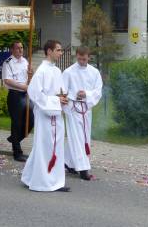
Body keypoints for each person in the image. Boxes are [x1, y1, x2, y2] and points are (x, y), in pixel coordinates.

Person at [21, 40, 70, 192]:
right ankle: (44, 181)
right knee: (45, 147)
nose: (61, 53)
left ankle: (32, 177)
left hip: (56, 114)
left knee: (54, 147)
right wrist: (55, 100)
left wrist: (63, 99)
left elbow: (60, 90)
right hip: (45, 115)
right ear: (49, 51)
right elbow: (34, 93)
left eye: (61, 50)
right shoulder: (41, 71)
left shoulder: (56, 71)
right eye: (58, 50)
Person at [63, 46, 103, 181]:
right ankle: (83, 169)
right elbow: (62, 91)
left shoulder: (95, 72)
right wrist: (75, 95)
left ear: (88, 57)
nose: (81, 61)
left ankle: (68, 162)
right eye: (79, 58)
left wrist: (86, 94)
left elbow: (98, 91)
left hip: (86, 109)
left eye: (84, 59)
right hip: (73, 109)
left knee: (83, 137)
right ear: (76, 56)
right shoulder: (68, 72)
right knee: (78, 138)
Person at [2, 41, 34, 162]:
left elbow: (28, 78)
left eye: (22, 48)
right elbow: (8, 80)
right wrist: (24, 87)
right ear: (12, 50)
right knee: (17, 123)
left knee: (31, 120)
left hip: (25, 95)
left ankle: (14, 138)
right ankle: (17, 152)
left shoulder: (25, 61)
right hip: (15, 95)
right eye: (18, 48)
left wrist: (31, 74)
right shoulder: (8, 63)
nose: (21, 50)